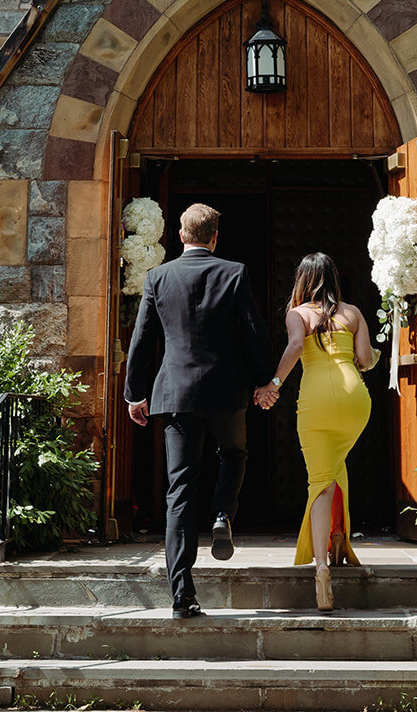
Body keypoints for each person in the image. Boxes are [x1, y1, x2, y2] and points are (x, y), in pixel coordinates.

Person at [124, 201, 276, 619]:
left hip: (175, 395)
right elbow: (253, 332)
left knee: (180, 489)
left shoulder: (157, 276)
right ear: (214, 237)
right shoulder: (234, 272)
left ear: (180, 235)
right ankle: (223, 512)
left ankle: (181, 593)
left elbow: (141, 340)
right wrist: (265, 381)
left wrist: (135, 393)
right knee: (234, 454)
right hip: (226, 391)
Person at [260, 252, 377, 611]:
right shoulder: (353, 313)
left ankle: (322, 569)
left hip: (317, 401)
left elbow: (296, 347)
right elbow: (364, 360)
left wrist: (273, 385)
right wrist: (377, 350)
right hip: (355, 399)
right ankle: (338, 536)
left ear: (302, 280)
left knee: (320, 481)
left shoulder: (298, 314)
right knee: (336, 465)